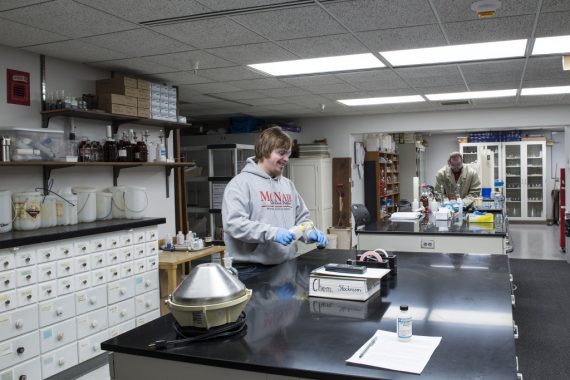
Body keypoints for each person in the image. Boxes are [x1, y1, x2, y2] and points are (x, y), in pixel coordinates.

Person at [222, 126, 328, 281]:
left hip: (286, 266)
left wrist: (309, 233)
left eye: (288, 154)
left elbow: (302, 220)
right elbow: (234, 224)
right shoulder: (240, 184)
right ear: (265, 151)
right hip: (251, 271)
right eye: (281, 153)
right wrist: (272, 233)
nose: (286, 159)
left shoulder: (288, 185)